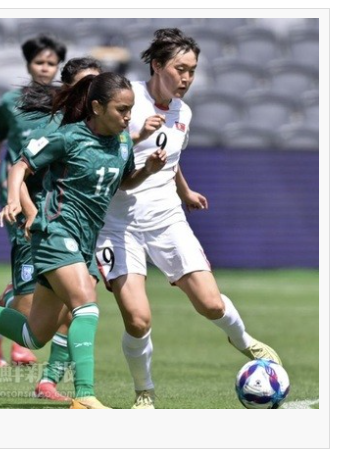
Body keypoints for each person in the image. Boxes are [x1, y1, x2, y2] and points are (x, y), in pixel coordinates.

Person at [0, 72, 168, 409]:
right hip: (55, 232)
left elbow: (123, 182)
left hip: (84, 241)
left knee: (33, 335)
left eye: (131, 109)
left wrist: (148, 170)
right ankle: (84, 396)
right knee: (86, 303)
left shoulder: (123, 142)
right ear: (97, 107)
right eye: (121, 109)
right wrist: (15, 201)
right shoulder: (68, 137)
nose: (128, 117)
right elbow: (19, 166)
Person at [95, 28, 282, 410]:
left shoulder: (184, 112)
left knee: (211, 304)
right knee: (138, 320)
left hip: (166, 218)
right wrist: (134, 135)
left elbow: (168, 157)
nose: (186, 78)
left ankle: (246, 342)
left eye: (192, 71)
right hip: (117, 225)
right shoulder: (127, 98)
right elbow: (100, 150)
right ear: (156, 65)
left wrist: (184, 190)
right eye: (180, 69)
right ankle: (144, 393)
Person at [0, 57, 105, 402]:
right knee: (32, 321)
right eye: (86, 84)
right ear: (69, 89)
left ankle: (49, 382)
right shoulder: (54, 128)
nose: (93, 91)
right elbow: (20, 170)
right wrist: (29, 213)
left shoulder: (101, 129)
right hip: (41, 227)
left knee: (78, 305)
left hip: (77, 233)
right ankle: (4, 299)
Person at [0, 34, 67, 367]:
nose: (45, 68)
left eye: (51, 63)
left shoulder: (63, 101)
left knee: (40, 268)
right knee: (30, 260)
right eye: (39, 62)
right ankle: (20, 343)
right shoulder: (10, 102)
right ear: (29, 64)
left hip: (52, 195)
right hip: (17, 193)